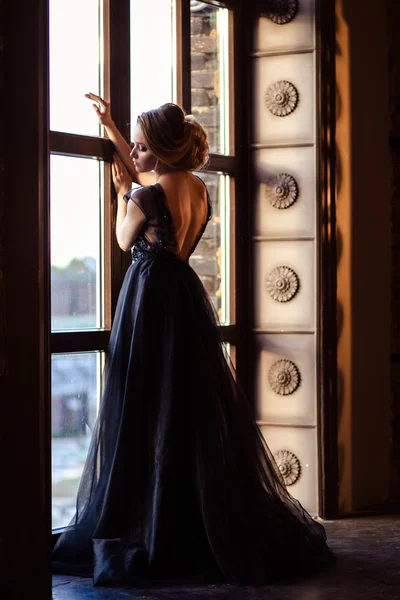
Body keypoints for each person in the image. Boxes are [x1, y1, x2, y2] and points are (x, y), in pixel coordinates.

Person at [52, 93, 335, 587]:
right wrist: (114, 130)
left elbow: (124, 239)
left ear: (157, 151)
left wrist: (120, 193)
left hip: (149, 301)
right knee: (184, 405)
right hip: (182, 297)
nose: (133, 155)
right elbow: (154, 185)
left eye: (140, 147)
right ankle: (188, 518)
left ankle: (150, 522)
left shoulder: (143, 195)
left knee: (147, 401)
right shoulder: (196, 188)